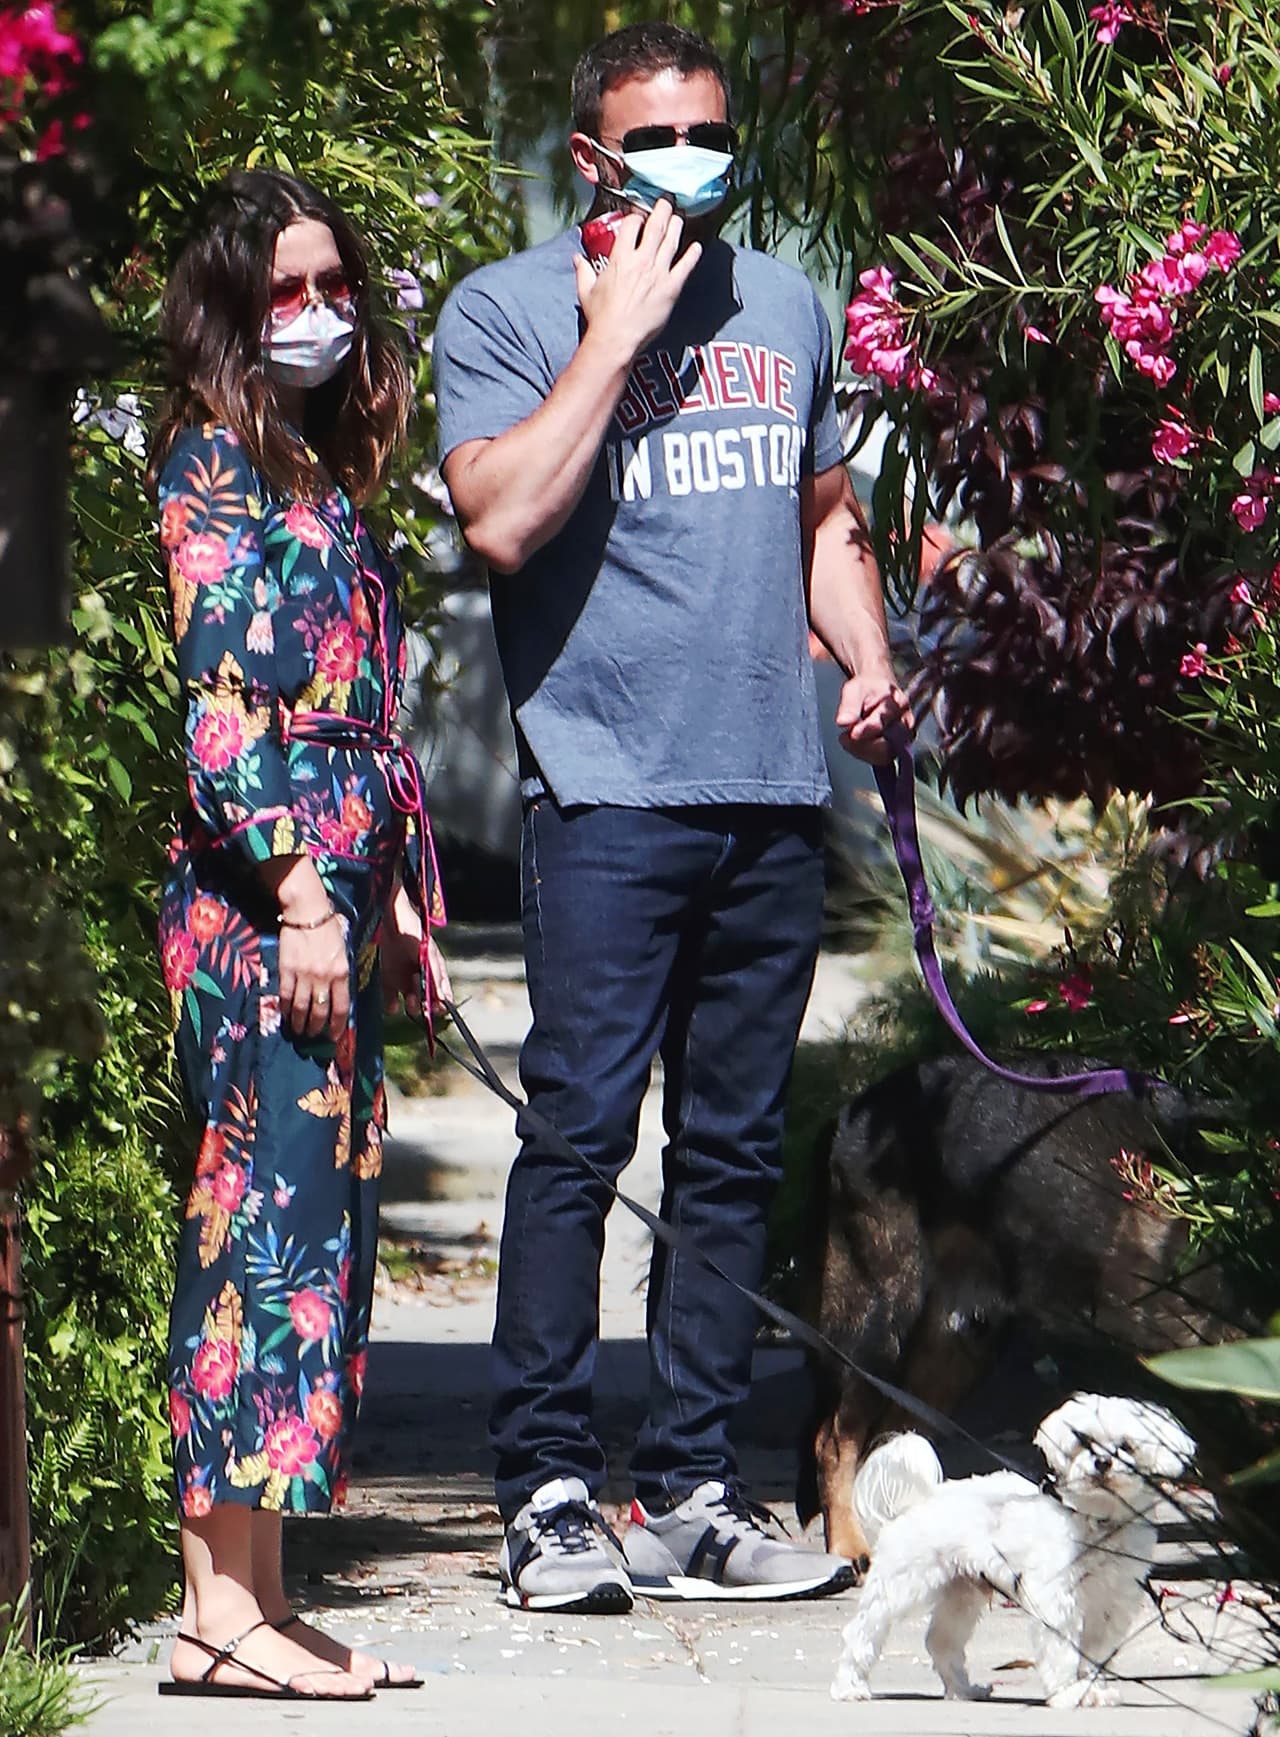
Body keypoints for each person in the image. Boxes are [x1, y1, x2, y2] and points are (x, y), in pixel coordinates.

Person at [433, 23, 910, 1614]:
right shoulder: (502, 313)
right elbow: (500, 517)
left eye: (715, 129)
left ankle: (692, 1487)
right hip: (610, 790)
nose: (698, 159)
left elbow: (822, 522)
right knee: (578, 1138)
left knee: (731, 1154)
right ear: (593, 159)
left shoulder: (786, 303)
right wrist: (616, 335)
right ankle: (548, 1487)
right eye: (662, 137)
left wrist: (870, 661)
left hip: (773, 788)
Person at [149, 167, 449, 1697]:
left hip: (335, 887)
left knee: (310, 1242)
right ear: (230, 307)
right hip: (263, 904)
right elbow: (222, 716)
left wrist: (389, 887)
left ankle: (257, 1595)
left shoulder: (319, 470)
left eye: (336, 286)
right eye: (286, 292)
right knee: (250, 1230)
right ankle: (215, 1611)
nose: (319, 315)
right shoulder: (209, 465)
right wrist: (306, 894)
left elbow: (351, 709)